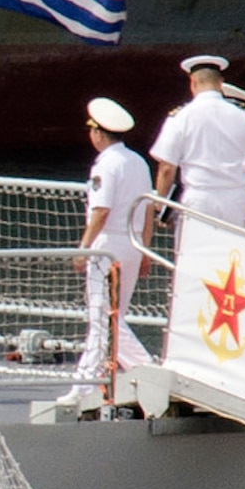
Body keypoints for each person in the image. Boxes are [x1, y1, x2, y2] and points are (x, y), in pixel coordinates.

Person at [61, 98, 156, 406]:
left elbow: (101, 211)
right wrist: (144, 251)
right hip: (131, 242)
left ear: (99, 134)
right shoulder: (138, 162)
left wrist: (83, 248)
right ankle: (84, 386)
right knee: (107, 319)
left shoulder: (106, 165)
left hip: (107, 246)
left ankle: (150, 371)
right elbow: (149, 210)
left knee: (105, 318)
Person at [150, 55, 245, 231]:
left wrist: (160, 206)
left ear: (192, 82)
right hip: (235, 199)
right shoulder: (242, 116)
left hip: (200, 199)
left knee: (195, 255)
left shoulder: (181, 117)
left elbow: (166, 168)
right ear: (220, 82)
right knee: (234, 255)